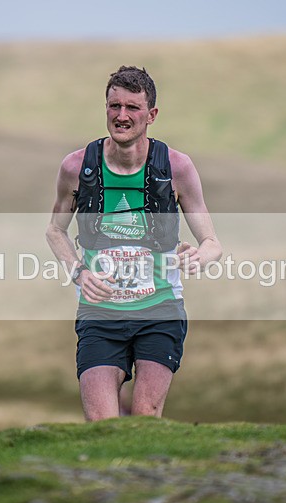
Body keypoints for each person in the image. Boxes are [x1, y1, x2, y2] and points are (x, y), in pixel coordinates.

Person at [46, 66, 221, 421]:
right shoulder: (77, 166)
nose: (121, 116)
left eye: (132, 108)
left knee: (144, 417)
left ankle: (145, 477)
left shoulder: (176, 167)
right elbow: (55, 230)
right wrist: (78, 271)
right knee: (102, 423)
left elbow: (212, 242)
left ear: (151, 115)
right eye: (114, 106)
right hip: (100, 315)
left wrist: (200, 256)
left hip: (160, 311)